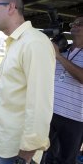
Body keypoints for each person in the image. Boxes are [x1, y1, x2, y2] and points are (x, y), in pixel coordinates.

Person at [0, 0, 56, 164]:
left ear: (10, 7)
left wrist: (27, 151)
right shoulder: (16, 43)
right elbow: (7, 86)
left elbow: (40, 101)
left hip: (19, 151)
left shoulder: (34, 43)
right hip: (7, 144)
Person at [42, 15, 83, 164]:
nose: (75, 25)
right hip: (51, 112)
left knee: (66, 159)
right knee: (45, 155)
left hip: (75, 118)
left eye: (80, 23)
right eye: (74, 22)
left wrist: (58, 56)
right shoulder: (63, 50)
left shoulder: (60, 54)